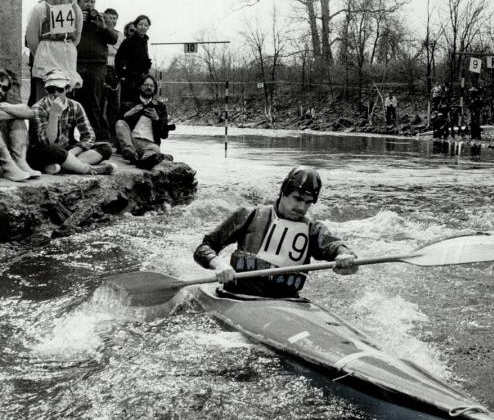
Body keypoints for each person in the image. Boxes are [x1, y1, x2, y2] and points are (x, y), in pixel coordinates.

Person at [193, 166, 358, 298]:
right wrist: (219, 264)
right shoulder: (249, 215)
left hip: (287, 301)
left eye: (308, 203)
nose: (301, 207)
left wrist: (345, 257)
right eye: (297, 199)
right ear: (284, 193)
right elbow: (204, 248)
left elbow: (335, 246)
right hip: (238, 296)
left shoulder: (312, 229)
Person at [28, 69, 114, 176]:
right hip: (44, 151)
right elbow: (48, 142)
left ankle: (65, 166)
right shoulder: (38, 108)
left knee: (106, 147)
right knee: (55, 149)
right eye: (51, 89)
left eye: (59, 89)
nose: (55, 93)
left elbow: (89, 136)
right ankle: (86, 169)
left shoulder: (75, 106)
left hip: (66, 151)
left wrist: (72, 153)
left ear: (67, 89)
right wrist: (53, 115)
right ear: (46, 90)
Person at [25, 0, 83, 104]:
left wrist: (66, 48)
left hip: (66, 55)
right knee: (44, 98)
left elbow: (77, 35)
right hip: (47, 54)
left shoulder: (76, 9)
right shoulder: (41, 8)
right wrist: (41, 52)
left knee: (65, 97)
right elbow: (32, 38)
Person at [75, 0, 119, 141]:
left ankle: (99, 139)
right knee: (73, 103)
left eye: (92, 1)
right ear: (78, 2)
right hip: (76, 65)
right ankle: (71, 138)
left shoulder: (101, 18)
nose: (89, 4)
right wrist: (78, 19)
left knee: (95, 104)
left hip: (97, 66)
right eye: (86, 1)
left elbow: (114, 38)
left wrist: (103, 27)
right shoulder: (73, 16)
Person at [115, 74, 174, 169]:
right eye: (146, 85)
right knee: (120, 123)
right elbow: (116, 127)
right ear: (140, 86)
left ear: (155, 89)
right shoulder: (127, 104)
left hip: (149, 144)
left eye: (152, 86)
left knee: (154, 150)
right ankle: (130, 153)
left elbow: (164, 135)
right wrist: (128, 114)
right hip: (131, 141)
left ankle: (141, 160)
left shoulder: (160, 107)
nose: (149, 88)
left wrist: (157, 119)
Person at [0, 69, 39, 182]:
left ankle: (20, 162)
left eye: (4, 88)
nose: (1, 90)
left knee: (18, 120)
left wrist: (5, 107)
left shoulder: (4, 100)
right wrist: (16, 113)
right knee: (17, 115)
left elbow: (29, 112)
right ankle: (8, 167)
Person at [115, 14, 152, 102]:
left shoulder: (145, 41)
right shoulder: (128, 41)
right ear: (136, 26)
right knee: (129, 103)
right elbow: (118, 58)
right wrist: (122, 75)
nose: (143, 27)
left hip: (142, 78)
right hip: (130, 79)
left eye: (146, 25)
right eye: (140, 24)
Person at [102, 7, 123, 138]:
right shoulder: (100, 31)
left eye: (115, 18)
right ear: (104, 18)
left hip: (115, 71)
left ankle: (113, 135)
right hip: (102, 68)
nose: (112, 20)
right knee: (101, 103)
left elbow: (117, 48)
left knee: (114, 104)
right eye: (110, 17)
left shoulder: (120, 35)